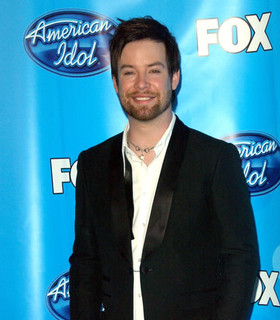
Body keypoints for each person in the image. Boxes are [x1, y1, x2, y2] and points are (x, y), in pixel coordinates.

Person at [69, 16, 259, 320]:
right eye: (129, 72)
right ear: (116, 83)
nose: (141, 84)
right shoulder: (92, 164)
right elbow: (85, 264)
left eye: (153, 71)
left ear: (174, 77)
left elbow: (240, 259)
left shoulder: (214, 159)